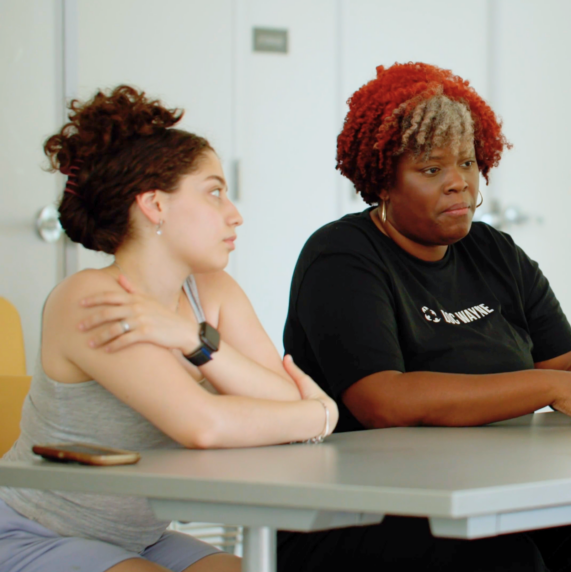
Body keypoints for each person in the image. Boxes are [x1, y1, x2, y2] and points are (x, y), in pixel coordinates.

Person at [278, 63, 571, 572]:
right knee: (506, 562)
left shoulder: (494, 252)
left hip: (494, 494)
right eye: (431, 170)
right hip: (365, 511)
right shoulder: (342, 256)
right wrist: (547, 388)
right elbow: (384, 399)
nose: (458, 184)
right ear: (383, 179)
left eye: (468, 164)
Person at [0, 86, 339, 572]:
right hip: (34, 532)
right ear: (155, 205)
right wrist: (321, 414)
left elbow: (282, 398)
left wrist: (192, 340)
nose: (235, 213)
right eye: (214, 192)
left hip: (141, 538)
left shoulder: (211, 291)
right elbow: (204, 425)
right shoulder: (92, 299)